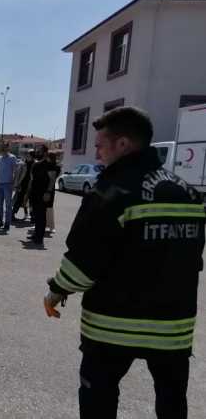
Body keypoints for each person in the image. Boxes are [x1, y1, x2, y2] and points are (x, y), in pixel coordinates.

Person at [43, 107, 205, 419]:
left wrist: (56, 291)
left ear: (123, 144)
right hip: (173, 327)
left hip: (112, 326)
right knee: (172, 402)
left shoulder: (111, 191)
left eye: (100, 144)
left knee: (99, 400)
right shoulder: (187, 192)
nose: (96, 152)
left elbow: (82, 263)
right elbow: (192, 257)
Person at [26, 145, 52, 246]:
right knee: (36, 215)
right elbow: (32, 179)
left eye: (40, 151)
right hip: (35, 193)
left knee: (41, 216)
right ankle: (36, 234)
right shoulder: (36, 164)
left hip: (43, 194)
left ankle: (39, 238)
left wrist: (48, 192)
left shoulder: (49, 164)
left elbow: (52, 179)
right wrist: (28, 194)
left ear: (45, 152)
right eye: (37, 151)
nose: (38, 153)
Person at [0, 142, 17, 230]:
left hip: (8, 184)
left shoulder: (12, 158)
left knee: (8, 205)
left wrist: (14, 184)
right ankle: (0, 221)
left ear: (8, 148)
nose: (3, 150)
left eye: (5, 148)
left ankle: (7, 223)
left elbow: (15, 172)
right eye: (2, 148)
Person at [12, 151, 34, 221]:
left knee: (31, 201)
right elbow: (17, 174)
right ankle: (12, 214)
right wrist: (16, 184)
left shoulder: (35, 163)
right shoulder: (22, 163)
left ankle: (32, 216)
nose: (27, 156)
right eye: (26, 154)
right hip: (22, 184)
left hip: (32, 185)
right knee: (19, 199)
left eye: (28, 154)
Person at [46, 152, 60, 233]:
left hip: (50, 189)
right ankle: (44, 225)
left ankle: (51, 226)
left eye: (48, 157)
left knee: (49, 208)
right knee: (43, 208)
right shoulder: (46, 166)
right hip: (44, 188)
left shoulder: (56, 167)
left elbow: (53, 178)